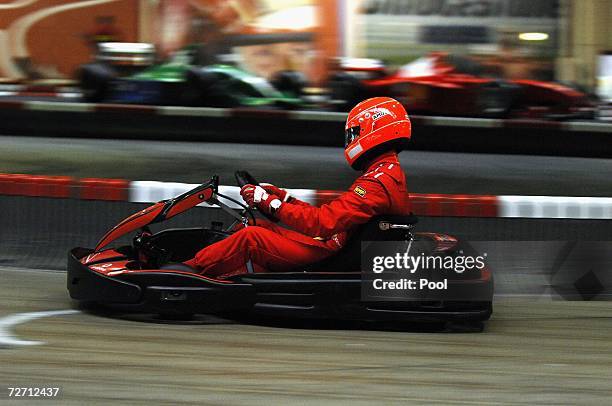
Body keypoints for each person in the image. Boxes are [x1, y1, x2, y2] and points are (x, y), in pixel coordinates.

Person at [184, 97, 412, 278]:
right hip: (332, 245)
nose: (350, 140)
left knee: (252, 237)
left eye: (354, 133)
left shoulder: (377, 182)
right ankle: (226, 277)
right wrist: (283, 198)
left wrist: (269, 202)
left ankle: (185, 271)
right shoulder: (386, 172)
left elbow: (322, 223)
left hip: (327, 254)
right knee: (256, 225)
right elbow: (332, 217)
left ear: (373, 130)